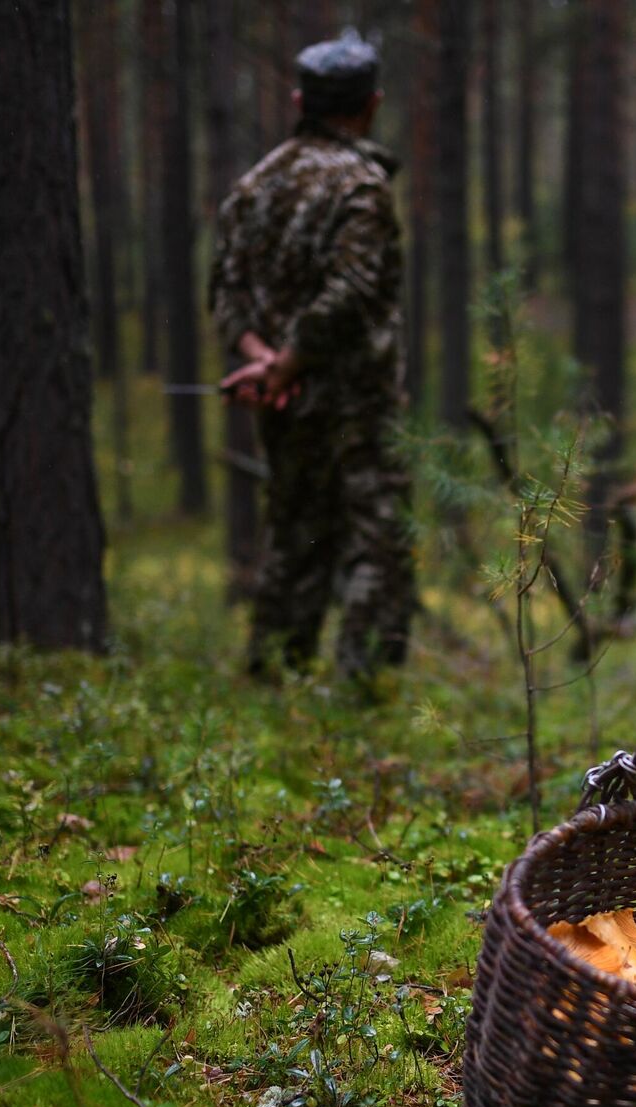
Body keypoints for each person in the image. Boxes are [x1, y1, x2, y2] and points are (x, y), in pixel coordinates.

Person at [208, 28, 415, 683]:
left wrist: (262, 357)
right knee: (377, 540)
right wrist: (288, 363)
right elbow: (351, 292)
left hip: (284, 398)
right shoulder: (362, 187)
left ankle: (274, 677)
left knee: (293, 534)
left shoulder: (253, 186)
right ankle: (364, 690)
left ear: (300, 99)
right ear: (372, 104)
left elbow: (225, 291)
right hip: (355, 403)